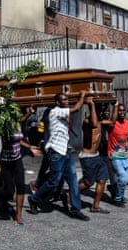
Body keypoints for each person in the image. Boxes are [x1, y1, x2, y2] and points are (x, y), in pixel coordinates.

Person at [28, 91, 90, 221]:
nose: (67, 101)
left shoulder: (62, 112)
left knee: (73, 180)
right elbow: (77, 108)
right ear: (57, 102)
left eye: (68, 99)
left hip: (65, 151)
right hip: (56, 151)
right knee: (54, 181)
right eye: (64, 99)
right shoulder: (55, 111)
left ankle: (75, 209)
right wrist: (82, 96)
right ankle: (34, 199)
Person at [78, 97, 118, 213]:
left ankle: (95, 206)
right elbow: (94, 124)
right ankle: (69, 195)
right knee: (87, 183)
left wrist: (115, 106)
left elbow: (112, 122)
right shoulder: (87, 121)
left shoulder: (100, 121)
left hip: (96, 156)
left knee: (102, 180)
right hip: (87, 156)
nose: (103, 112)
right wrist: (91, 105)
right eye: (100, 109)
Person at [106, 103, 128, 207]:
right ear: (116, 112)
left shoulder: (127, 122)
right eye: (119, 111)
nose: (122, 112)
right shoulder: (111, 124)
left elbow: (125, 138)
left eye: (123, 110)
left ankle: (114, 188)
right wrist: (115, 106)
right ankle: (118, 199)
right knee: (122, 177)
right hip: (115, 156)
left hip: (125, 155)